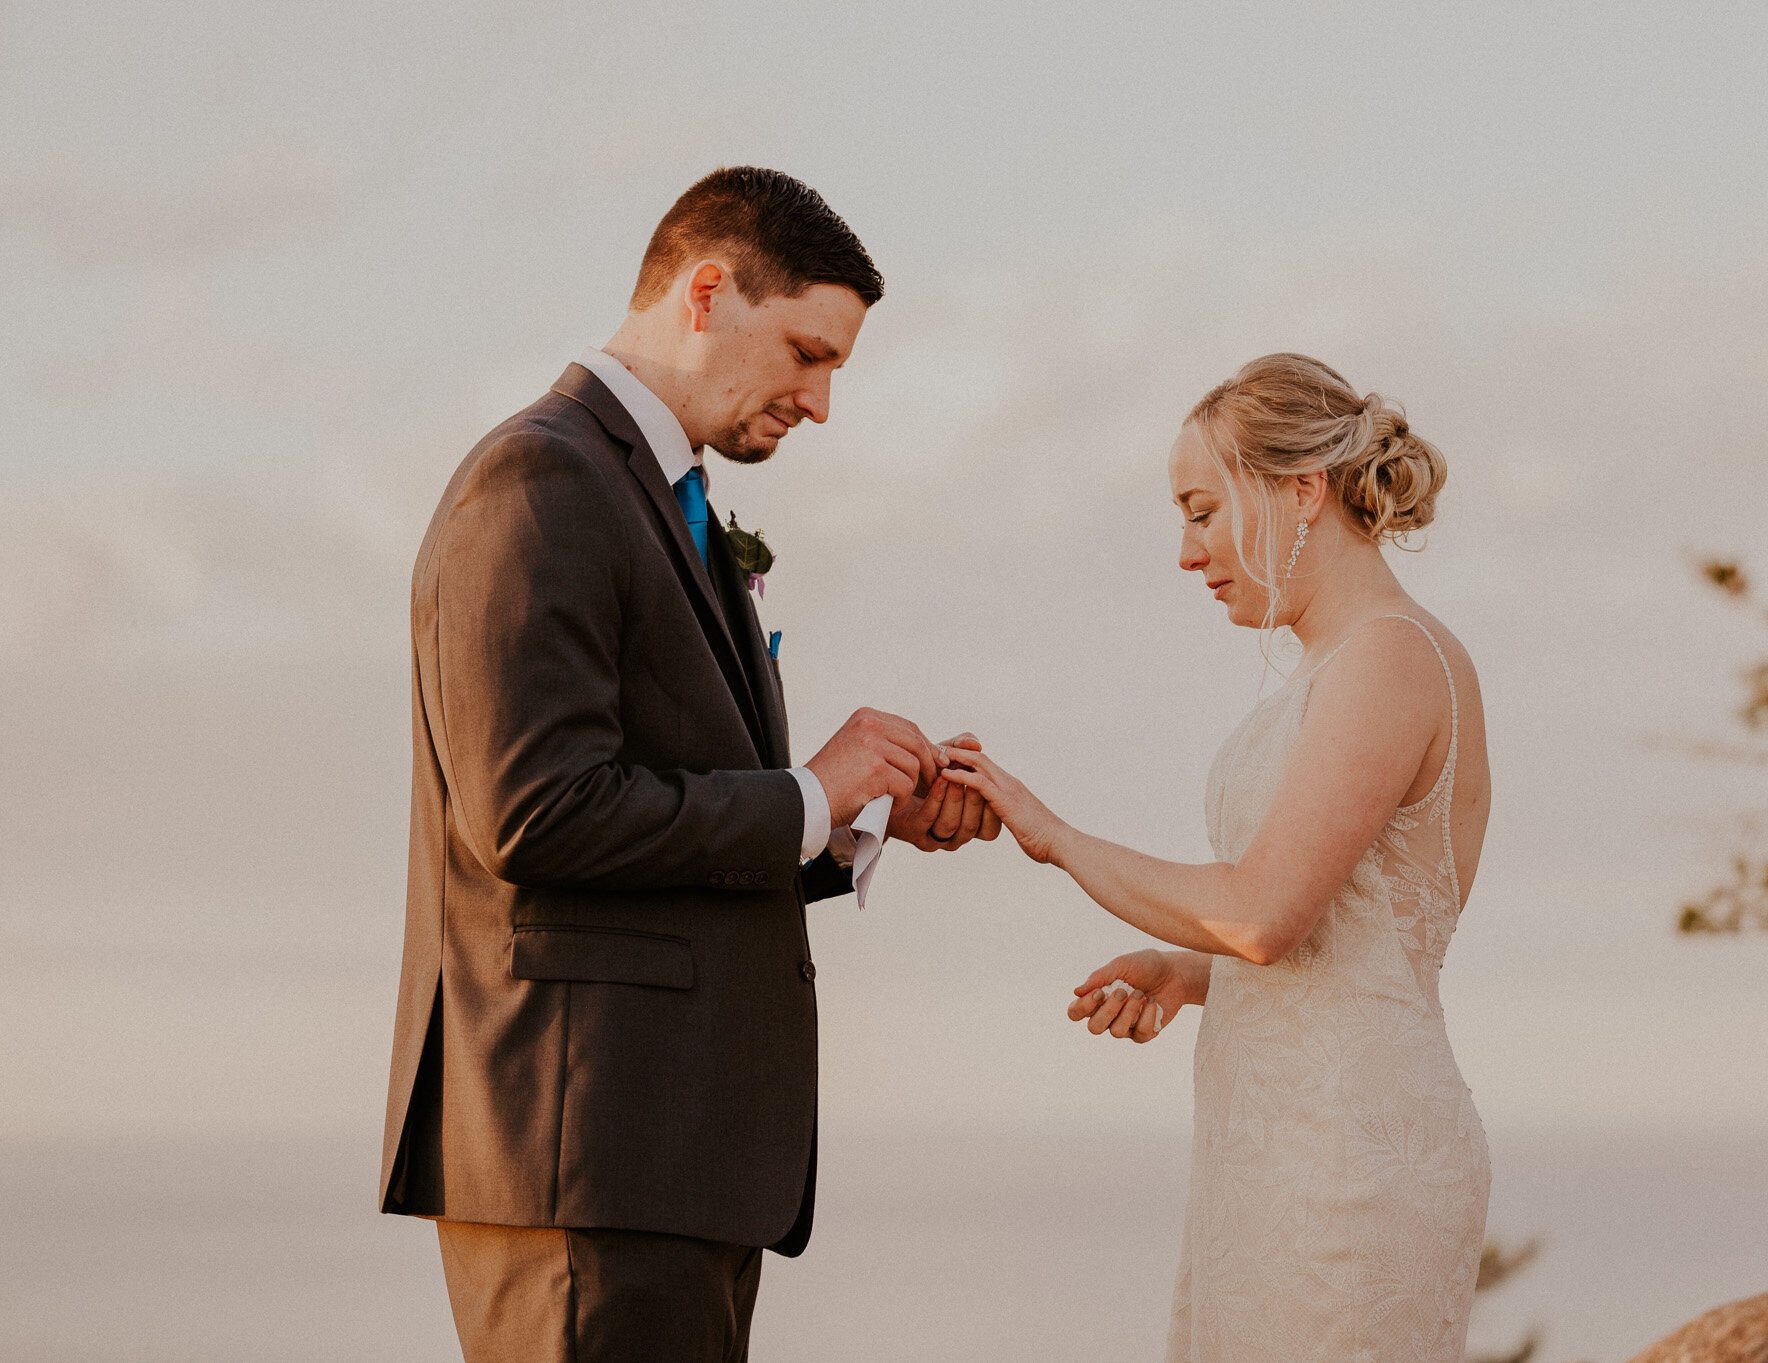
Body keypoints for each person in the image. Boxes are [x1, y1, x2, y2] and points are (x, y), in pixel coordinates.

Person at [377, 166, 999, 1362]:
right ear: (705, 292)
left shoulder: (664, 495)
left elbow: (656, 796)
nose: (820, 402)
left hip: (663, 1162)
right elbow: (537, 812)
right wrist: (806, 791)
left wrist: (848, 821)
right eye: (807, 354)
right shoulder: (539, 479)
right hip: (586, 1157)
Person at [942, 354, 1492, 1359]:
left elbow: (1259, 911)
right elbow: (1328, 929)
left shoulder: (1388, 656)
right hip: (1274, 1141)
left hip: (1347, 1159)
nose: (1187, 550)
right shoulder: (1341, 661)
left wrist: (1054, 835)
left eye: (1200, 509)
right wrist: (1193, 973)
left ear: (1300, 489)